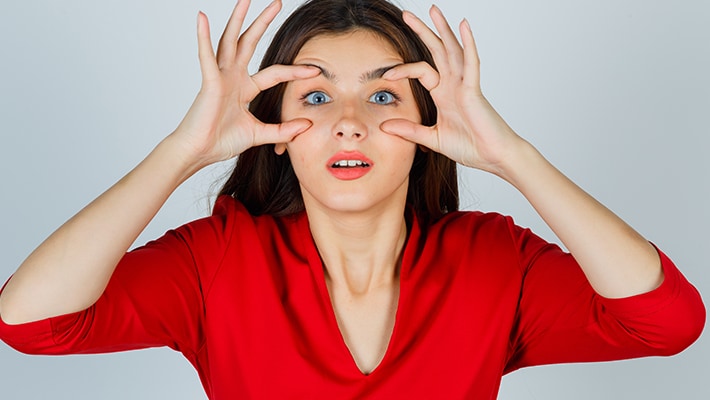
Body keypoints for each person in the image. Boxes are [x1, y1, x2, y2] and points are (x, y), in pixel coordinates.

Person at [0, 0, 705, 398]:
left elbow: (667, 324)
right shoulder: (218, 259)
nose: (348, 122)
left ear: (427, 125)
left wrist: (512, 157)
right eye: (314, 96)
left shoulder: (491, 260)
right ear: (276, 131)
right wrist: (181, 152)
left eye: (382, 95)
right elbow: (31, 322)